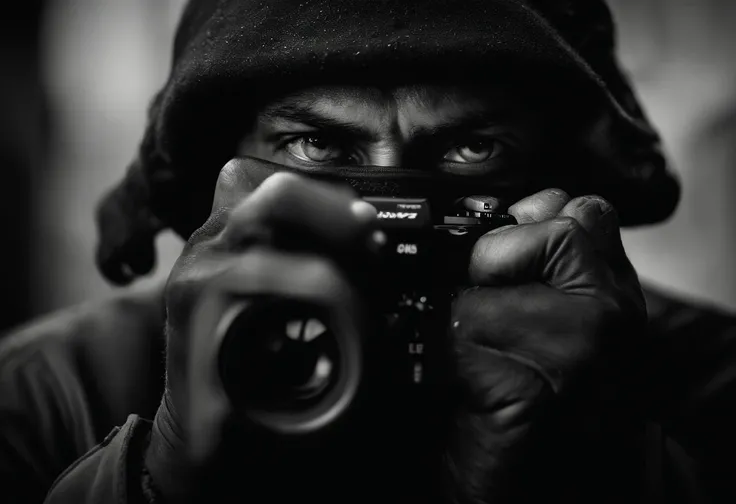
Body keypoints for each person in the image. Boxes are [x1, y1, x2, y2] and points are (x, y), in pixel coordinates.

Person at [1, 0, 734, 502]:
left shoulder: (712, 386)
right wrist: (160, 476)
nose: (391, 210)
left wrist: (606, 468)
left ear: (560, 181)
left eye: (473, 148)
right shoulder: (46, 394)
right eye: (319, 145)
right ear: (219, 176)